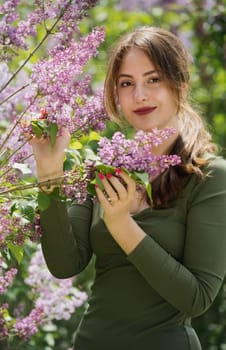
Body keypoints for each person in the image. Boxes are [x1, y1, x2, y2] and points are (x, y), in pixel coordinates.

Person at [30, 27, 226, 349]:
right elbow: (65, 264)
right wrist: (49, 173)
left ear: (180, 83)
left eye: (153, 79)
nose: (140, 96)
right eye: (126, 84)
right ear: (115, 94)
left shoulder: (209, 177)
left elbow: (197, 297)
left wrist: (121, 224)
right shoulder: (104, 168)